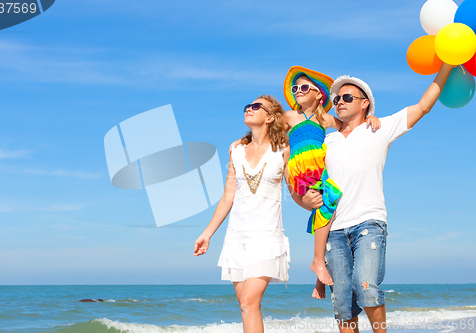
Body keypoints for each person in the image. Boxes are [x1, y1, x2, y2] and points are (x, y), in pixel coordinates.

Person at [301, 63, 455, 333]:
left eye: (347, 97)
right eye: (336, 99)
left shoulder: (379, 129)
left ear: (365, 104)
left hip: (368, 223)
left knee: (367, 287)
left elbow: (422, 107)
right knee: (342, 304)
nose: (339, 102)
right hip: (334, 229)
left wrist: (447, 65)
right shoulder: (328, 140)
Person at [194, 95, 291, 333]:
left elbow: (294, 190)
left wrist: (313, 204)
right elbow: (228, 196)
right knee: (245, 305)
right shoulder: (236, 152)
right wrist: (207, 234)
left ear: (270, 117)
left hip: (267, 236)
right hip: (238, 237)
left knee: (249, 301)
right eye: (247, 106)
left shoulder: (283, 150)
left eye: (256, 106)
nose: (249, 108)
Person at [282, 66, 381, 299]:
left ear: (319, 95)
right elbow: (268, 135)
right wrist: (242, 140)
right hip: (301, 168)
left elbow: (349, 127)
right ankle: (317, 263)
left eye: (304, 87)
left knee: (328, 206)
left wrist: (371, 118)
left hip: (320, 165)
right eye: (295, 88)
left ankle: (319, 275)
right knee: (328, 204)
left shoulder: (324, 118)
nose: (298, 91)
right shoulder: (288, 116)